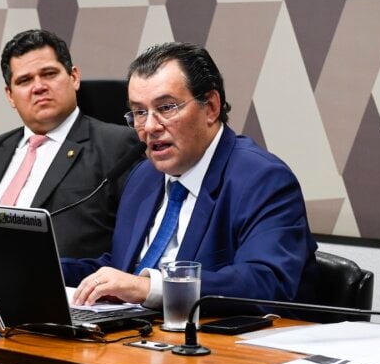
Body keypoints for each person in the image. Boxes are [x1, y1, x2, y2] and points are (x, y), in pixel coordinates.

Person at [67, 42, 317, 308]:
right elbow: (123, 268)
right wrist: (41, 268)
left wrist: (148, 288)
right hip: (136, 337)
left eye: (166, 108)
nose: (150, 126)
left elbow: (266, 281)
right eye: (140, 112)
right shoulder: (144, 177)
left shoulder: (263, 180)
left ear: (210, 107)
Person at [0, 29, 141, 260]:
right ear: (9, 95)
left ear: (74, 77)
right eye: (24, 80)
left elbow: (133, 244)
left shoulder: (119, 146)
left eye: (49, 74)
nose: (38, 87)